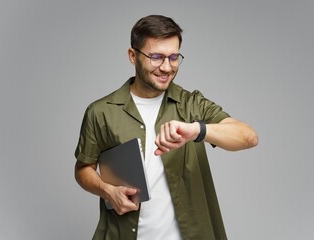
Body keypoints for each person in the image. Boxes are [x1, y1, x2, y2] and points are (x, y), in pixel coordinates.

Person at [74, 14, 258, 240]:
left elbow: (248, 136)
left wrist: (197, 130)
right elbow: (83, 169)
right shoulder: (101, 112)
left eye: (173, 57)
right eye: (156, 57)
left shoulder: (192, 105)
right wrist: (108, 192)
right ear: (133, 56)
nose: (166, 67)